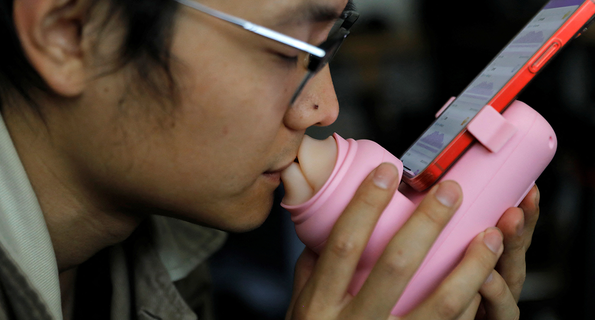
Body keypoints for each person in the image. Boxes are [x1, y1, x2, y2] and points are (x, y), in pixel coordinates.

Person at [0, 0, 540, 319]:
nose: (324, 109)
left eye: (329, 44)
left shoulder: (168, 265)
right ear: (70, 33)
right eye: (288, 50)